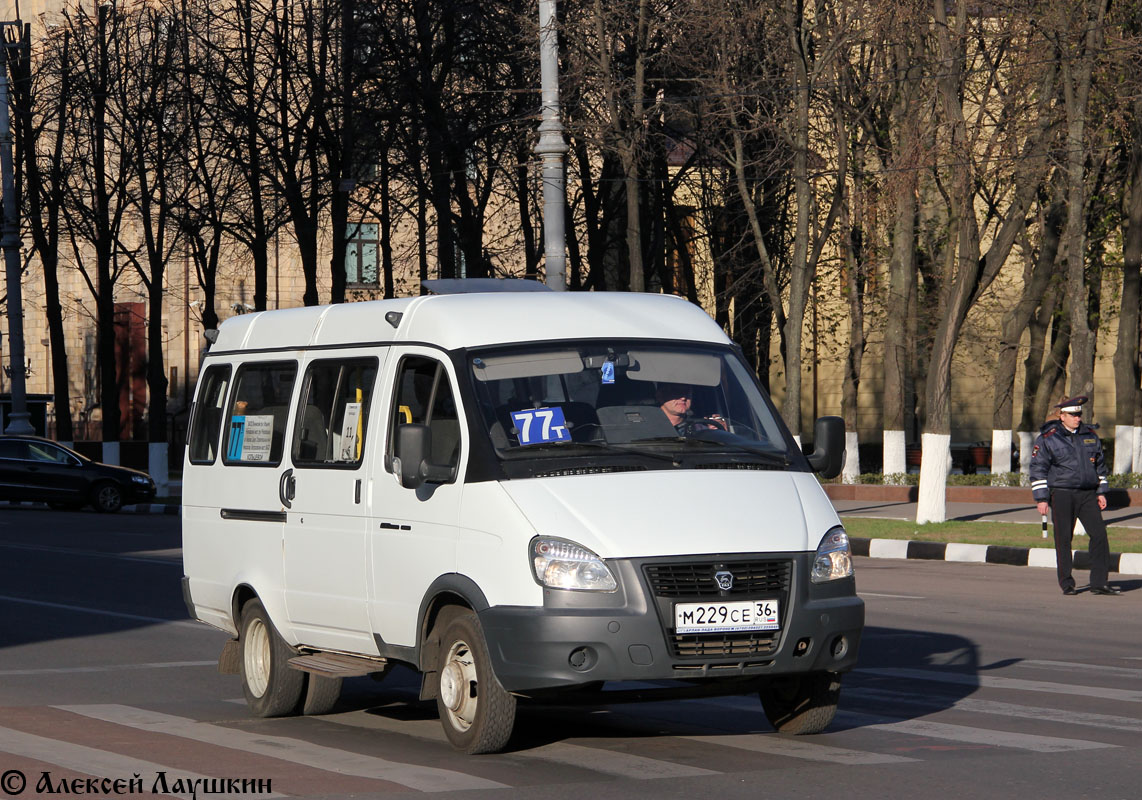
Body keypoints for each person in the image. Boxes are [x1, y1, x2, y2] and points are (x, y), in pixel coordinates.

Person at [1030, 396, 1120, 596]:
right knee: (1063, 539)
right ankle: (1067, 583)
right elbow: (1038, 469)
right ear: (1062, 416)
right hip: (1061, 493)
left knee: (1099, 535)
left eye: (1079, 414)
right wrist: (1042, 498)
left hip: (1087, 494)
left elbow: (1099, 465)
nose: (1077, 418)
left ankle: (1099, 583)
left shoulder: (1089, 435)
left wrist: (1101, 491)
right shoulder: (1048, 438)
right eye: (1072, 415)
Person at [656, 383, 725, 434]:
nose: (683, 398)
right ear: (660, 396)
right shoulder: (648, 425)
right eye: (677, 392)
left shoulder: (699, 429)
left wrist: (718, 434)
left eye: (687, 392)